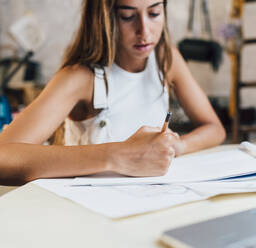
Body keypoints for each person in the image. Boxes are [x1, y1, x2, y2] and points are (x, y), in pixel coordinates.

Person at [0, 0, 226, 186]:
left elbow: (214, 128)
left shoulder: (166, 59)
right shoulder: (80, 77)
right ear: (104, 18)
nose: (144, 31)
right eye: (128, 16)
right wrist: (118, 156)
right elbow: (3, 158)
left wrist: (178, 146)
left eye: (154, 13)